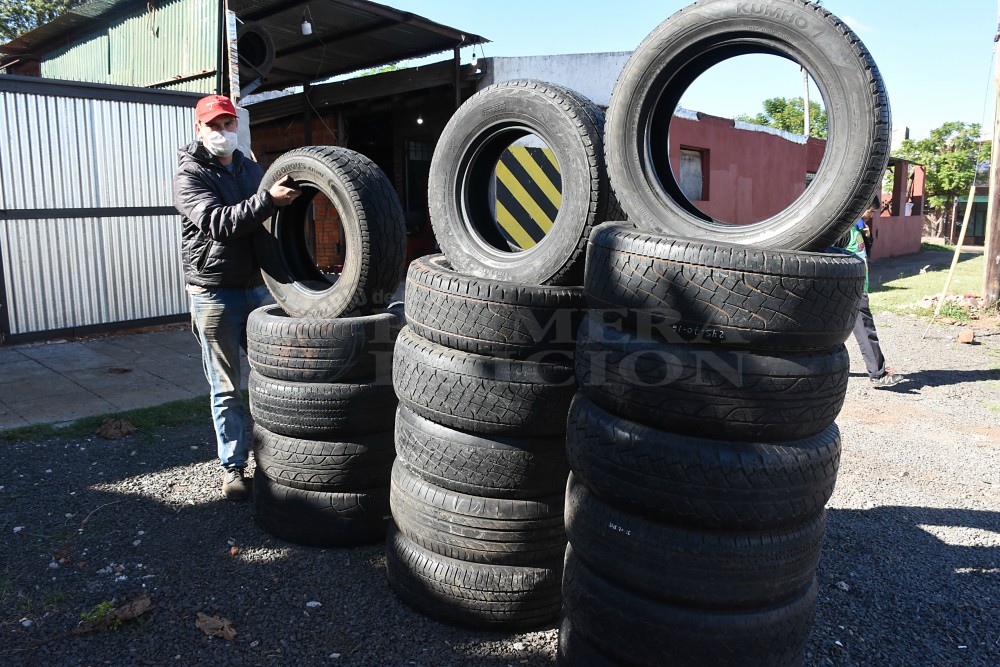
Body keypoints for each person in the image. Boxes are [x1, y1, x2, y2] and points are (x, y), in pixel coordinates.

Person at [173, 94, 300, 500]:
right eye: (214, 126)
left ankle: (275, 461)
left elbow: (270, 220)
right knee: (226, 387)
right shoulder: (189, 174)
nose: (223, 132)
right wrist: (267, 200)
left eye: (229, 124)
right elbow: (218, 223)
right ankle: (233, 469)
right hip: (214, 294)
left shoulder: (250, 168)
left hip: (258, 289)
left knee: (274, 378)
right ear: (199, 128)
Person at [843, 200, 905, 388]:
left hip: (860, 285)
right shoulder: (844, 230)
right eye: (870, 211)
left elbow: (865, 254)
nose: (871, 216)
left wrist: (868, 238)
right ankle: (878, 374)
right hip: (850, 288)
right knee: (865, 328)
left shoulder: (858, 229)